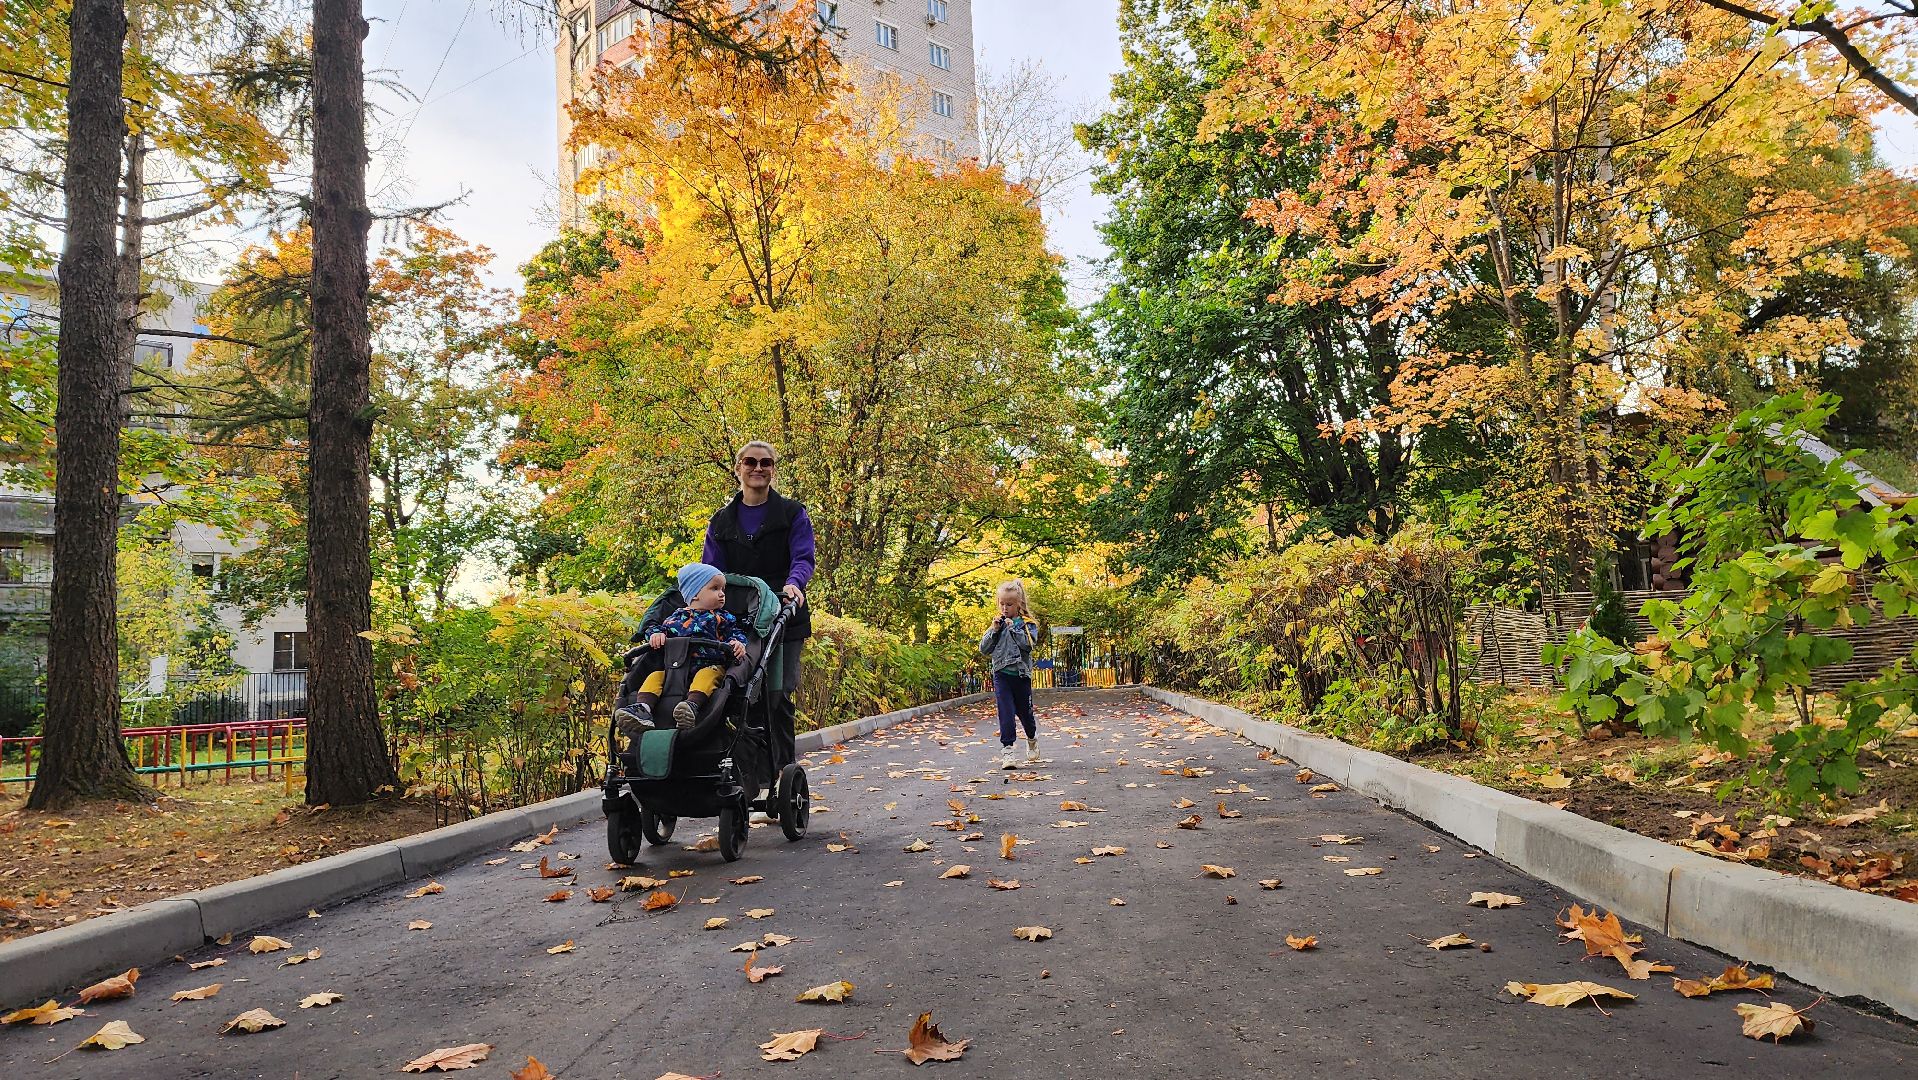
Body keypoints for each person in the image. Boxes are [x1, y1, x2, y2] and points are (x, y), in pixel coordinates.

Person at [702, 441, 813, 772]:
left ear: (773, 470)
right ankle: (740, 771)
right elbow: (712, 569)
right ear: (738, 468)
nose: (758, 468)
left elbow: (803, 556)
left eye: (766, 463)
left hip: (783, 613)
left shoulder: (792, 514)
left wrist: (795, 583)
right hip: (735, 619)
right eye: (750, 462)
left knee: (777, 695)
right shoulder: (721, 522)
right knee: (733, 693)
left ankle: (780, 773)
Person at [614, 563, 749, 737]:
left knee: (706, 676)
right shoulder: (675, 617)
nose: (722, 594)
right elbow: (659, 629)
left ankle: (691, 705)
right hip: (675, 669)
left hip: (710, 665)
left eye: (723, 589)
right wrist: (655, 635)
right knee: (654, 676)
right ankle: (643, 708)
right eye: (715, 588)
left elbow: (736, 633)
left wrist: (738, 643)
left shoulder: (723, 618)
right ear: (695, 594)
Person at [980, 579, 1040, 769]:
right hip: (1002, 675)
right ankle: (1008, 751)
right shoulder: (996, 625)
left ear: (1018, 604)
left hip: (1021, 676)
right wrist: (994, 631)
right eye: (1002, 604)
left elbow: (1028, 645)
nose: (1005, 608)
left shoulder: (1027, 625)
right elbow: (984, 649)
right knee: (1006, 714)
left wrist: (1013, 628)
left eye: (1009, 604)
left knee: (1025, 715)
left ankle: (1031, 738)